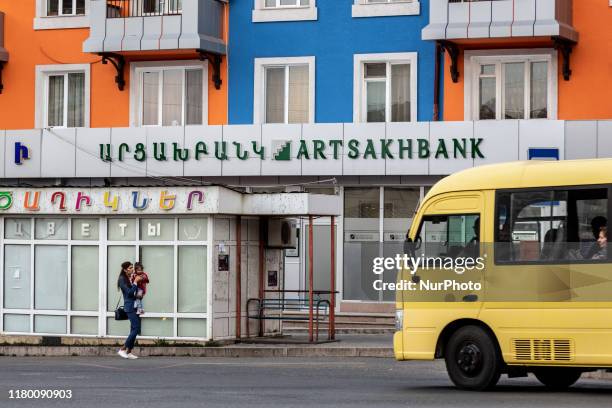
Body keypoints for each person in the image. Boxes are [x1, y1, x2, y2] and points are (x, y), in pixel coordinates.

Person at [117, 261, 143, 360]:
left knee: (134, 329)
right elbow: (129, 293)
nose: (132, 269)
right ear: (124, 270)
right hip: (130, 307)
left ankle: (129, 351)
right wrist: (136, 282)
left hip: (136, 306)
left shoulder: (129, 278)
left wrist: (139, 293)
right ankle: (122, 349)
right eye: (130, 268)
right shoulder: (122, 279)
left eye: (132, 267)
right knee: (136, 328)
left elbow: (134, 292)